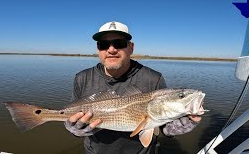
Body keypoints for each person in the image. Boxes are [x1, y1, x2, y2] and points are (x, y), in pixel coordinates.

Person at [64, 21, 201, 154]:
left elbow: (162, 126)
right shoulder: (82, 78)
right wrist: (74, 129)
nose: (111, 49)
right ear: (98, 50)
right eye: (104, 44)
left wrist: (173, 128)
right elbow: (69, 114)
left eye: (119, 43)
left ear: (131, 47)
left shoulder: (153, 78)